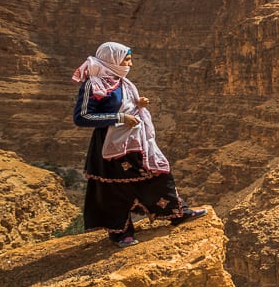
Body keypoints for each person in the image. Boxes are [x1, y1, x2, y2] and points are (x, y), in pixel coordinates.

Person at [72, 41, 205, 247]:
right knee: (114, 189)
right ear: (112, 60)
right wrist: (119, 118)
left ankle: (178, 213)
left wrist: (137, 104)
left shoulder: (120, 81)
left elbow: (124, 104)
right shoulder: (93, 84)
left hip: (135, 142)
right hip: (111, 148)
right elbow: (82, 117)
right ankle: (120, 233)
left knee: (158, 175)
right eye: (127, 59)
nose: (131, 64)